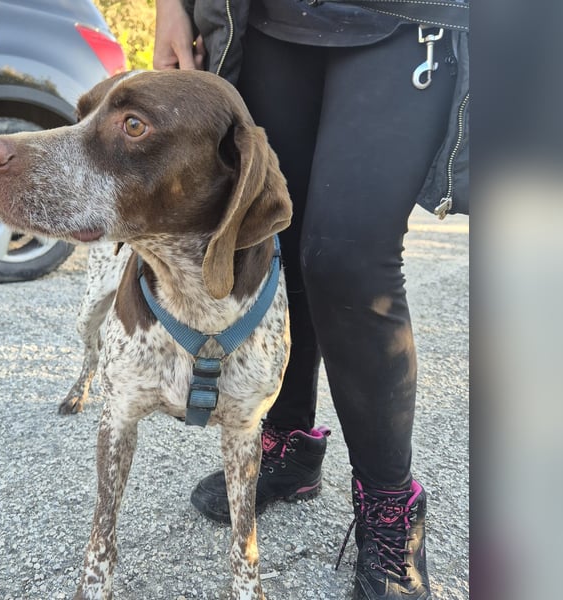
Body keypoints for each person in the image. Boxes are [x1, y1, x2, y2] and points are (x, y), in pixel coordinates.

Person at [153, 1, 468, 599]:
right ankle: (290, 447)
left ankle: (391, 505)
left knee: (347, 260)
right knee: (272, 236)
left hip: (406, 22)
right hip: (268, 20)